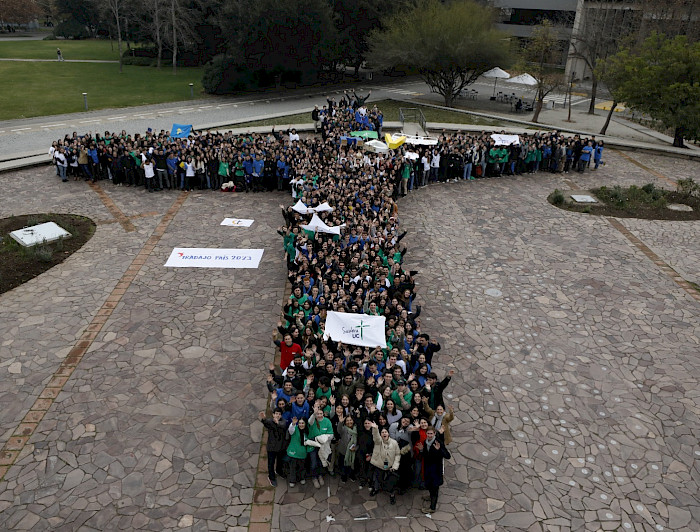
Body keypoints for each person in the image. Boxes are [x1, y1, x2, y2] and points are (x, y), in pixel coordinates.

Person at [419, 425, 451, 514]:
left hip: (436, 471)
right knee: (429, 486)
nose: (429, 435)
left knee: (435, 489)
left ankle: (432, 507)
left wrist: (439, 449)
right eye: (428, 433)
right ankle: (430, 496)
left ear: (434, 434)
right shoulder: (425, 443)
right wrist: (422, 450)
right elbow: (426, 456)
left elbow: (447, 456)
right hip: (428, 470)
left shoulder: (438, 443)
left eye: (431, 434)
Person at [368, 422, 401, 504]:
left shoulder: (394, 443)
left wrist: (395, 466)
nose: (384, 433)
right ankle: (376, 489)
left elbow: (397, 455)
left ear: (388, 433)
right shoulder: (378, 442)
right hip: (379, 465)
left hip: (390, 467)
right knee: (377, 479)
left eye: (385, 432)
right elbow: (376, 437)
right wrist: (375, 428)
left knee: (391, 482)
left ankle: (392, 495)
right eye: (382, 432)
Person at [258, 409, 288, 487]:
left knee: (280, 461)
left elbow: (283, 425)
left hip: (281, 447)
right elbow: (266, 423)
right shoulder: (270, 421)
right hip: (271, 447)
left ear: (281, 415)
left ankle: (279, 471)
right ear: (273, 415)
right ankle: (271, 477)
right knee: (271, 463)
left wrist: (277, 422)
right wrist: (263, 419)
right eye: (276, 414)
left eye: (279, 414)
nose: (277, 415)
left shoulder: (283, 421)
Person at [286, 417, 309, 487]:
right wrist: (293, 424)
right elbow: (290, 430)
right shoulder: (294, 429)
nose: (301, 425)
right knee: (293, 467)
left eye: (302, 423)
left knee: (302, 467)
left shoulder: (307, 431)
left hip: (302, 453)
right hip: (293, 452)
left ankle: (301, 478)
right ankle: (292, 480)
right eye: (299, 423)